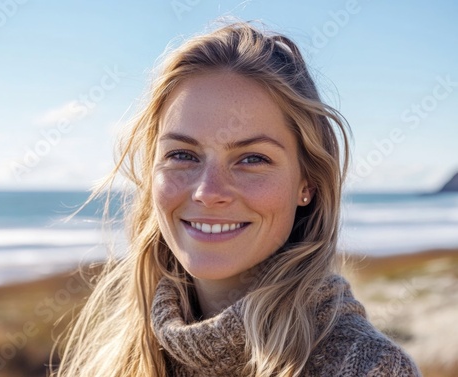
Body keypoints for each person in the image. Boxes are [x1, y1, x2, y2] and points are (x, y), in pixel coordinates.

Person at [53, 21, 421, 377]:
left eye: (252, 159)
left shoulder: (369, 368)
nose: (208, 192)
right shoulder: (114, 360)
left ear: (306, 183)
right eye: (182, 155)